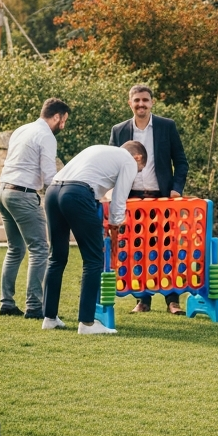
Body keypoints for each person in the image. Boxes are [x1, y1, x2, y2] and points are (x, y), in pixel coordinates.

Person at [43, 142, 147, 335]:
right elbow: (119, 198)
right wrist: (115, 224)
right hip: (77, 194)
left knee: (56, 257)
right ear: (138, 158)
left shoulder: (100, 150)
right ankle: (87, 323)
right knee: (93, 260)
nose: (136, 173)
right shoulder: (129, 161)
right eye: (139, 170)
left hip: (53, 192)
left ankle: (49, 318)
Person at [109, 84, 190, 315]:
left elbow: (181, 161)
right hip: (132, 199)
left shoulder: (167, 126)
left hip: (163, 199)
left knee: (168, 248)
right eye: (137, 100)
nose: (141, 104)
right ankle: (142, 300)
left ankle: (172, 301)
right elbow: (112, 163)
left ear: (152, 102)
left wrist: (176, 188)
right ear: (130, 103)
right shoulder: (119, 130)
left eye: (145, 100)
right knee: (138, 249)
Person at [0, 98, 71, 319]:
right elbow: (49, 175)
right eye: (64, 121)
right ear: (56, 116)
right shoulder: (46, 136)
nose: (63, 126)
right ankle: (34, 306)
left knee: (15, 249)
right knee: (39, 249)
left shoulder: (23, 129)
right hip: (23, 194)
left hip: (2, 192)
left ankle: (7, 303)